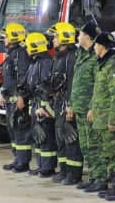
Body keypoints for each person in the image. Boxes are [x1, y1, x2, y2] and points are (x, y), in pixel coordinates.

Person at [88, 32, 115, 202]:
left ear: (102, 46)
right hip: (102, 117)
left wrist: (113, 120)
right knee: (107, 153)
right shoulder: (103, 64)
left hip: (110, 120)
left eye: (96, 45)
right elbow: (99, 91)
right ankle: (113, 186)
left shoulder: (114, 66)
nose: (94, 48)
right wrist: (92, 109)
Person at [47, 22, 79, 184]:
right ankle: (64, 170)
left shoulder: (71, 57)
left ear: (65, 37)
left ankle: (74, 174)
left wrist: (70, 105)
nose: (53, 40)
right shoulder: (59, 57)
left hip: (67, 103)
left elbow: (73, 83)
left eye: (56, 37)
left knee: (70, 139)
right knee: (60, 137)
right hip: (59, 102)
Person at [0, 23, 33, 172]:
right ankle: (17, 158)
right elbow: (8, 78)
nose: (4, 39)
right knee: (13, 131)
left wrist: (21, 96)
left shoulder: (21, 54)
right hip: (9, 101)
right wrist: (3, 93)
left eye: (6, 36)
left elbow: (23, 77)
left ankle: (23, 162)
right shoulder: (10, 54)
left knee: (21, 131)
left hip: (17, 101)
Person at [71, 20, 100, 191]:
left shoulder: (95, 57)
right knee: (85, 146)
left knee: (94, 145)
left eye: (80, 34)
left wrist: (93, 107)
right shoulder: (81, 55)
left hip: (90, 110)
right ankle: (93, 176)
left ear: (88, 37)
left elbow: (98, 85)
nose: (78, 36)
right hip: (80, 108)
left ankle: (100, 178)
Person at [23, 31, 57, 177]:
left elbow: (46, 87)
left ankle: (48, 167)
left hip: (43, 106)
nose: (26, 49)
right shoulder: (35, 62)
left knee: (47, 136)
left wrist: (44, 108)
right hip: (36, 105)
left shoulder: (45, 63)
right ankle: (41, 164)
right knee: (38, 137)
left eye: (28, 46)